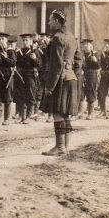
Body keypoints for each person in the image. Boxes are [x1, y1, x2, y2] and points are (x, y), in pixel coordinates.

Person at [40, 10, 79, 156]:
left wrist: (49, 87)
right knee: (66, 114)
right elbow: (78, 59)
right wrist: (71, 69)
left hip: (60, 80)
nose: (49, 23)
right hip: (71, 78)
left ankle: (59, 147)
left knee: (57, 113)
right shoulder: (71, 37)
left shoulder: (57, 38)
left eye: (50, 20)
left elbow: (56, 66)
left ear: (57, 21)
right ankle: (65, 147)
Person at [15, 34, 41, 124]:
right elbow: (18, 63)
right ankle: (22, 116)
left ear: (31, 41)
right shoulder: (21, 51)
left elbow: (39, 64)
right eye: (24, 40)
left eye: (27, 40)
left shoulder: (35, 52)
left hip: (30, 76)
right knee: (21, 96)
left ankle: (29, 116)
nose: (25, 42)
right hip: (22, 76)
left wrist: (35, 59)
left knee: (30, 95)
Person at [0, 32, 16, 125]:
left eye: (3, 39)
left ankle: (6, 118)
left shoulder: (10, 51)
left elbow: (13, 63)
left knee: (7, 97)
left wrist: (6, 58)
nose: (1, 40)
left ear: (7, 40)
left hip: (8, 76)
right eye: (0, 39)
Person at [80, 39, 100, 120]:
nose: (85, 46)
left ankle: (90, 113)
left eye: (87, 45)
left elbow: (98, 65)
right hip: (82, 74)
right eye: (84, 44)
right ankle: (80, 112)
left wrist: (95, 61)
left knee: (90, 92)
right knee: (81, 92)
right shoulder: (81, 54)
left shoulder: (95, 54)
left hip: (91, 74)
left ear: (91, 46)